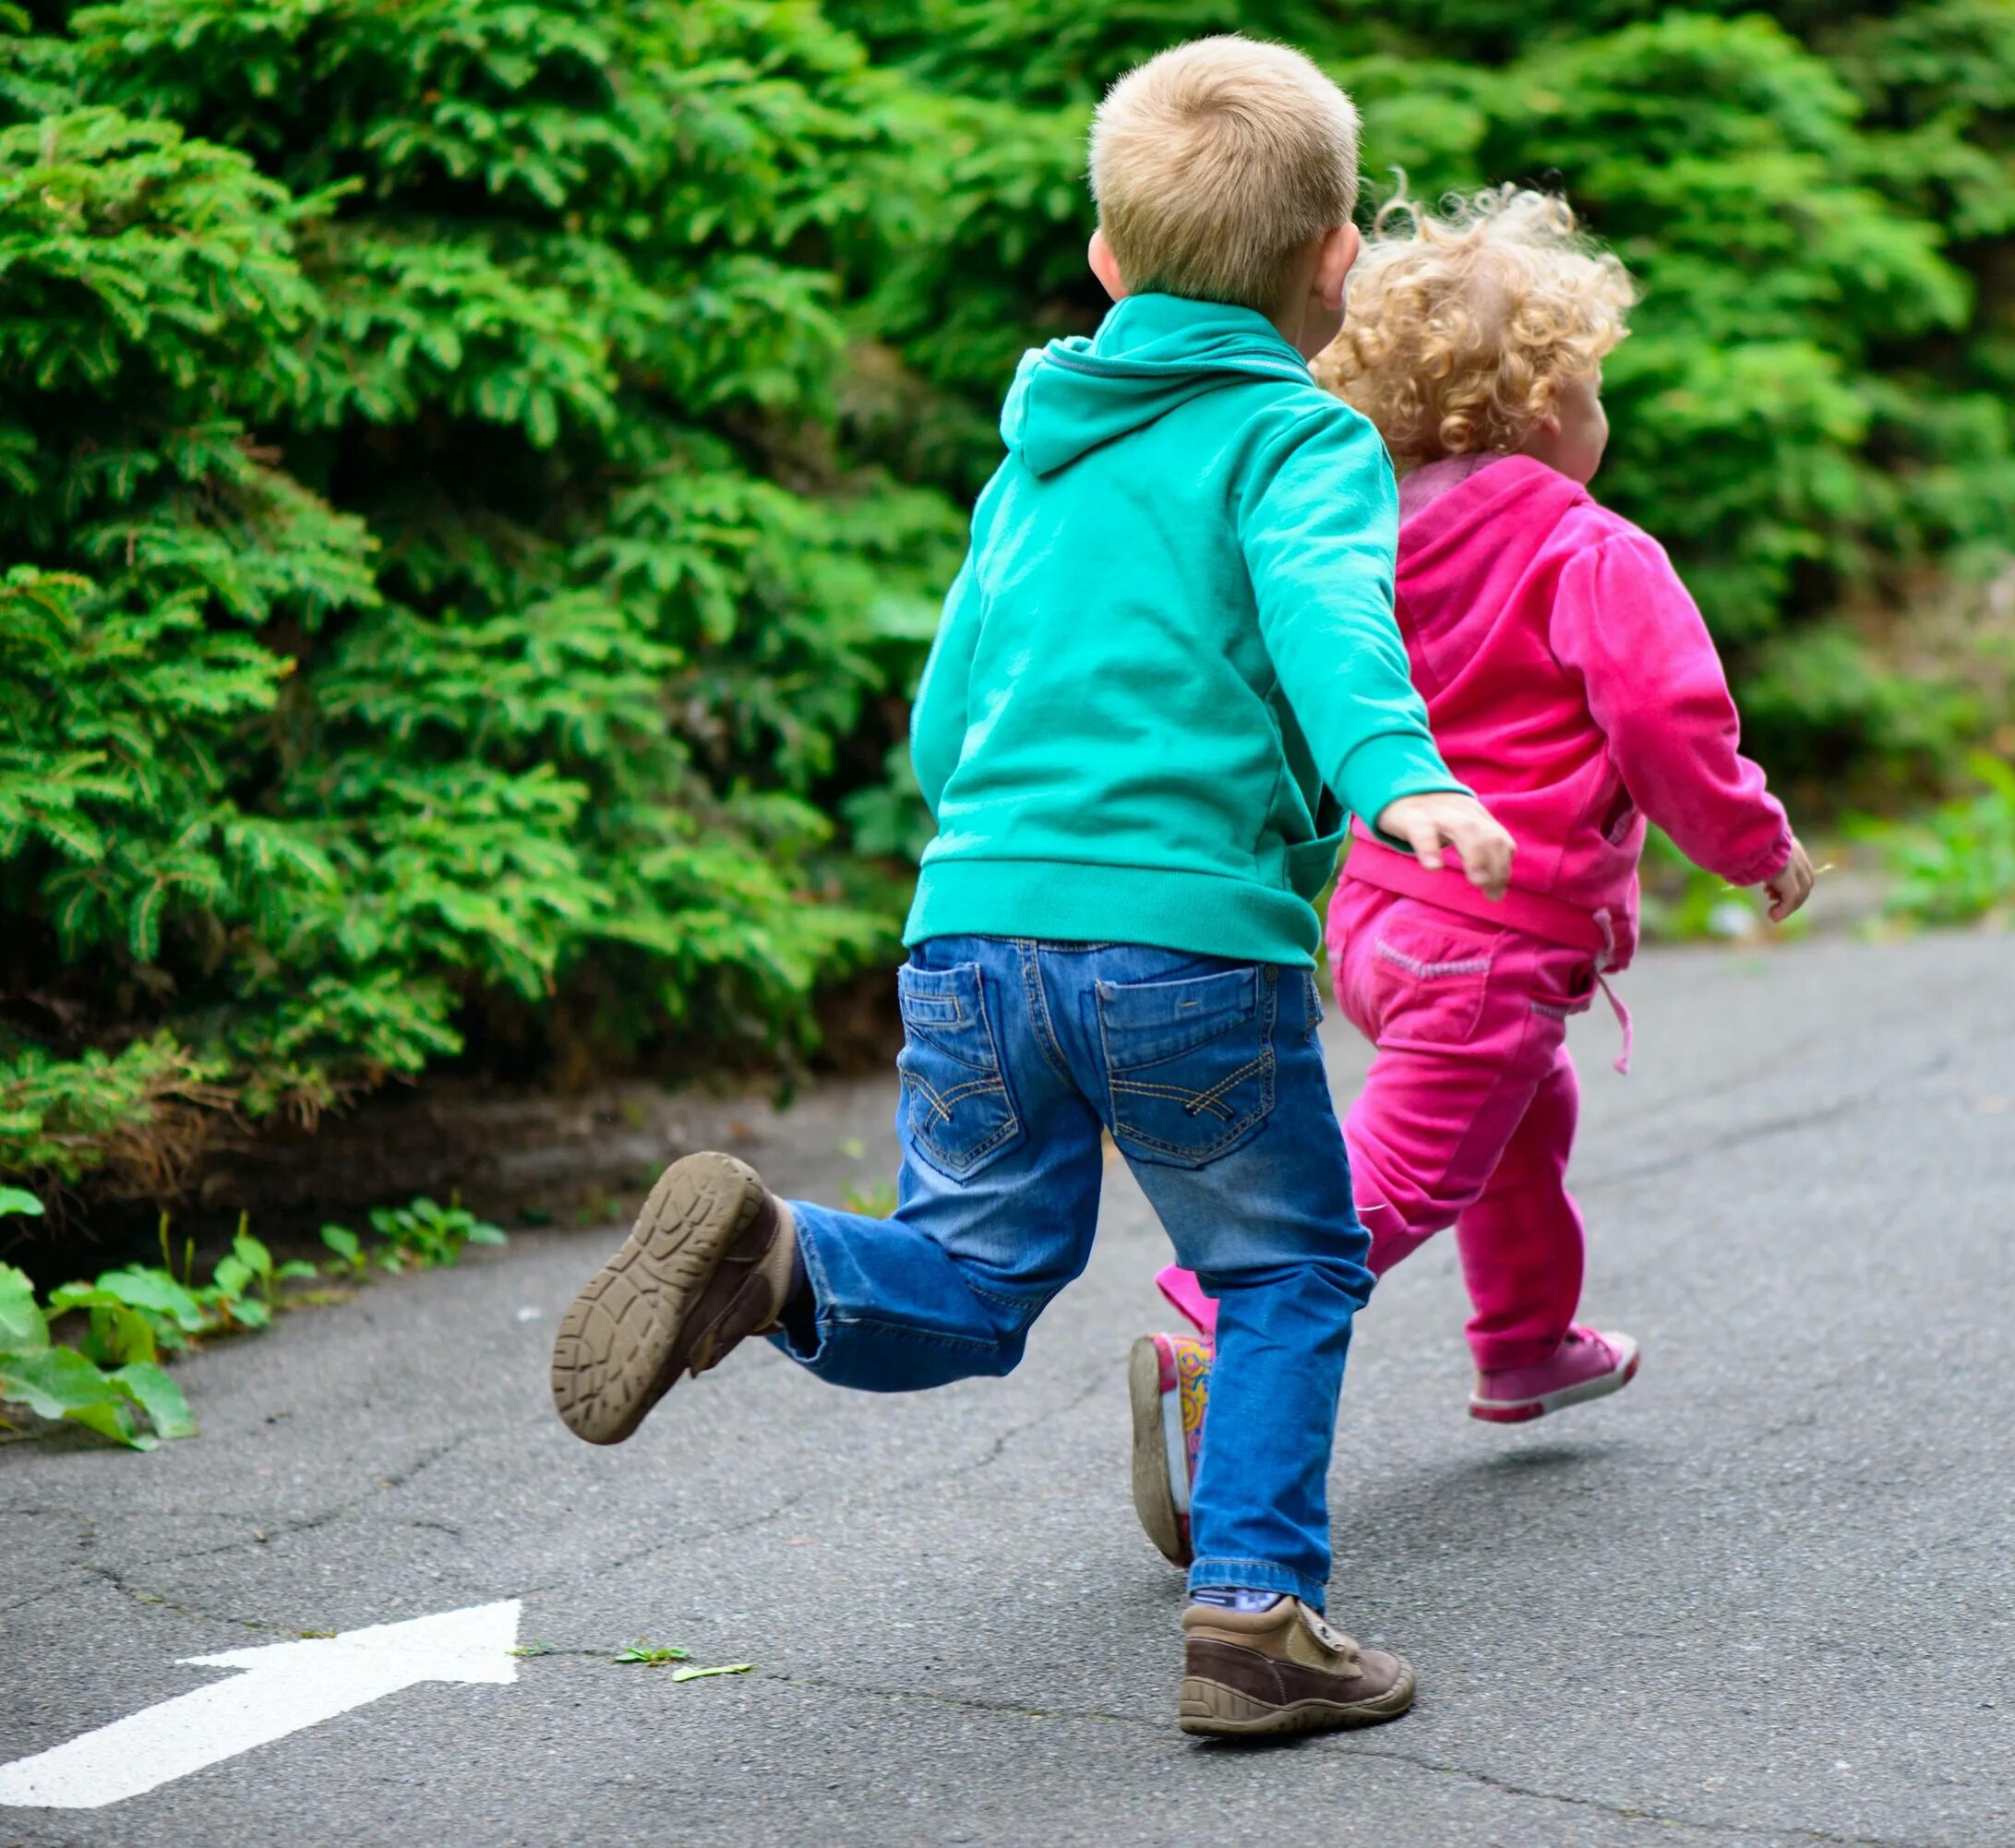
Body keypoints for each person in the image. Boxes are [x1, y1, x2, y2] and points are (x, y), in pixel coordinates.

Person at [546, 37, 1515, 1741]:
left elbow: (948, 710)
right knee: (1288, 1268)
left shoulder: (1035, 456)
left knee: (977, 1273)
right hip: (1182, 943)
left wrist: (996, 854)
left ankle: (779, 1260)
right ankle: (1256, 1616)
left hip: (975, 921)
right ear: (1335, 262)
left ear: (1107, 261)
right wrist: (1398, 777)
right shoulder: (1298, 443)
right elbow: (1327, 616)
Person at [1133, 186, 1812, 1554]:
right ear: (1553, 402)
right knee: (1399, 1178)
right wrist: (1753, 841)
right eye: (1597, 390)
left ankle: (1525, 1339)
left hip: (1375, 916)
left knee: (1520, 1116)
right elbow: (1670, 721)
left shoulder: (1358, 534)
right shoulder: (1587, 547)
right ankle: (1219, 1319)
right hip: (1490, 936)